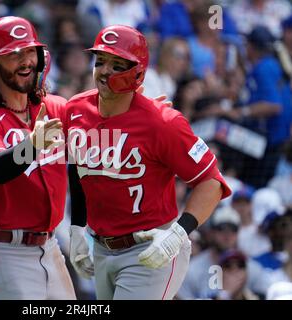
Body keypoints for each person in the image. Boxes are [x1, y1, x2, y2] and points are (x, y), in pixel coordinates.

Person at [66, 25, 232, 300]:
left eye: (118, 64)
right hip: (102, 248)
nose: (105, 70)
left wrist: (178, 234)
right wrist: (75, 228)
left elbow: (211, 182)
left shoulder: (163, 122)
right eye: (100, 61)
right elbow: (78, 166)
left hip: (152, 247)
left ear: (139, 73)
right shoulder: (75, 110)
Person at [0, 16, 76, 300]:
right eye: (13, 54)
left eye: (29, 51)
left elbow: (100, 123)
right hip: (1, 251)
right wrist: (33, 145)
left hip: (49, 248)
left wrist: (141, 111)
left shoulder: (54, 107)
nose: (25, 61)